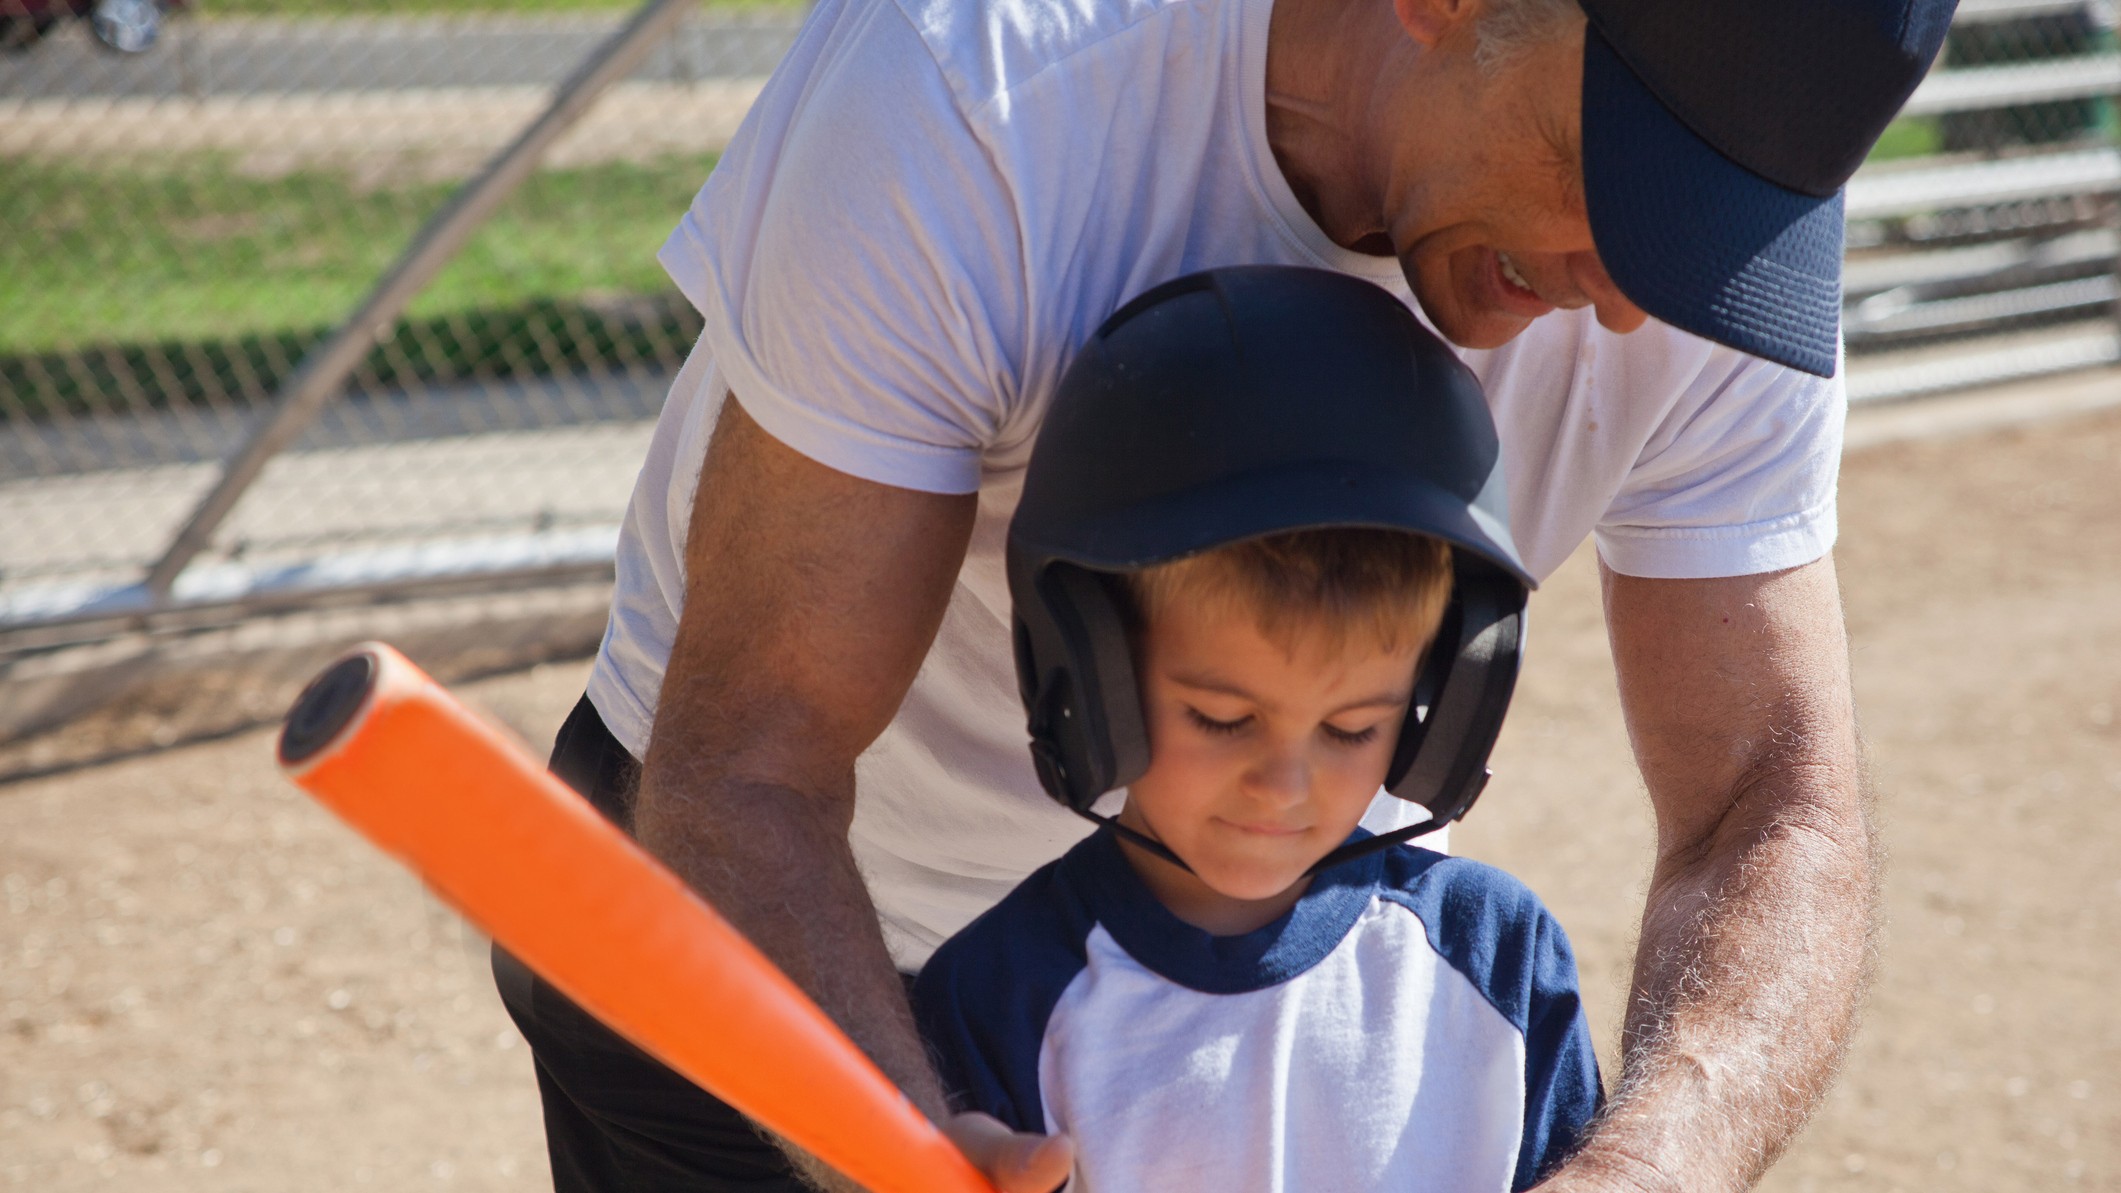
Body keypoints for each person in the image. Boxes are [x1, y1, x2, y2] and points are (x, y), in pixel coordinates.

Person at [495, 0, 1958, 1188]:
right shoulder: (980, 89)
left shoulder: (1696, 282)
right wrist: (908, 1144)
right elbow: (748, 757)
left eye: (1719, 226)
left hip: (1260, 958)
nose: (1643, 306)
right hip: (775, 938)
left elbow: (1772, 797)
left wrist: (1651, 1169)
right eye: (1623, 176)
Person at [913, 266, 1601, 1192]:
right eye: (1222, 718)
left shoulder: (1493, 957)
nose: (1283, 785)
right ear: (1095, 673)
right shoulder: (997, 994)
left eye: (1353, 727)